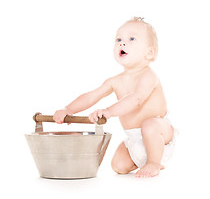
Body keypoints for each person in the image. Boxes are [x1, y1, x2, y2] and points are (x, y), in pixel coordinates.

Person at [53, 17, 176, 178]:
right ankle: (143, 161)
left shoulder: (148, 75)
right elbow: (92, 96)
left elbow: (136, 99)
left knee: (149, 125)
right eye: (118, 39)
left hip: (159, 132)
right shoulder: (115, 81)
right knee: (118, 166)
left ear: (149, 52)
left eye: (131, 39)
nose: (122, 43)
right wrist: (68, 109)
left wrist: (109, 111)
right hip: (134, 139)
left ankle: (154, 162)